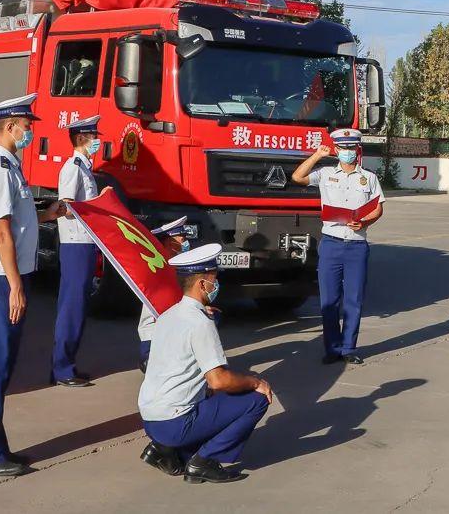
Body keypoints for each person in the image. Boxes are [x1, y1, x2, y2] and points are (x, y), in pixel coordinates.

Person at [0, 94, 65, 476]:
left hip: (6, 277)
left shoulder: (11, 167)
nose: (31, 131)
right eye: (28, 126)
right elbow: (2, 233)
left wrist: (50, 213)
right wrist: (15, 286)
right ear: (10, 127)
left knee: (0, 366)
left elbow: (21, 221)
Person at [138, 244, 272, 484]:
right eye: (214, 279)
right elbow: (218, 380)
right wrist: (255, 382)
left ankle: (165, 450)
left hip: (151, 419)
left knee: (211, 395)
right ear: (202, 284)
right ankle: (204, 461)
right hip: (174, 423)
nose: (216, 285)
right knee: (256, 399)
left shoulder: (169, 315)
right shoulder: (200, 323)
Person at [291, 128, 385, 365]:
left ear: (357, 150)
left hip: (357, 245)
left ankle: (348, 348)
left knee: (354, 299)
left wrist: (364, 221)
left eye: (351, 148)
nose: (347, 152)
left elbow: (378, 208)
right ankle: (332, 349)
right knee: (329, 300)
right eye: (342, 148)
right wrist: (316, 156)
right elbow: (297, 177)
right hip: (331, 244)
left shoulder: (369, 178)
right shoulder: (324, 173)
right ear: (336, 149)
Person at [50, 115, 102, 388]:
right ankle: (62, 368)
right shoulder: (73, 167)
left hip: (85, 242)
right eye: (95, 137)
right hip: (75, 243)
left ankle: (64, 364)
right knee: (72, 305)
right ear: (83, 139)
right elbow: (66, 206)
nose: (98, 141)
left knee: (78, 304)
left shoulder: (85, 168)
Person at [138, 216, 192, 373]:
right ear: (170, 243)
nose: (186, 243)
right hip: (156, 340)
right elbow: (153, 315)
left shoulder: (177, 266)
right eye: (183, 239)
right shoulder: (158, 271)